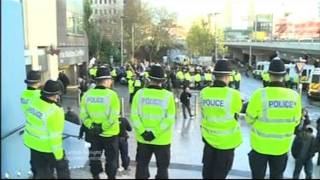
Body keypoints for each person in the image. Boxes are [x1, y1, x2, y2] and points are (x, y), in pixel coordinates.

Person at [245, 57, 302, 179]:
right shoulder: (294, 96)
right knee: (277, 176)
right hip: (281, 148)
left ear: (269, 75)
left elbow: (249, 119)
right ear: (285, 76)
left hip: (259, 147)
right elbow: (296, 121)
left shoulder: (259, 95)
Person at [130, 65, 176, 179]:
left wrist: (144, 132)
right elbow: (169, 119)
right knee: (162, 169)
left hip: (143, 139)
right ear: (163, 81)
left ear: (149, 79)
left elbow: (134, 116)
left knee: (141, 167)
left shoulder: (139, 94)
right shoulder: (168, 96)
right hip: (162, 140)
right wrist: (155, 133)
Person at [200, 59, 243, 179]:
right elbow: (237, 110)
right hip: (226, 144)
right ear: (228, 76)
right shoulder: (233, 94)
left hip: (208, 141)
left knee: (207, 174)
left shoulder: (204, 92)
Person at [23, 80, 70, 179]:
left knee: (42, 173)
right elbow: (55, 138)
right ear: (57, 95)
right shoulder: (55, 111)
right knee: (63, 171)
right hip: (48, 148)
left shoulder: (33, 101)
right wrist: (59, 157)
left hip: (33, 144)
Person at [79, 67, 120, 179]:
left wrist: (92, 126)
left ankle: (95, 176)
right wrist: (102, 127)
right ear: (106, 80)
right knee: (111, 159)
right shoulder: (112, 95)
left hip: (93, 134)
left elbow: (83, 115)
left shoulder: (87, 95)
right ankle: (111, 177)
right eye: (110, 79)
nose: (111, 81)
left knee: (94, 157)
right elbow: (113, 116)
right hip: (110, 135)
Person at [20, 70, 42, 178]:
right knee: (45, 166)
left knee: (34, 162)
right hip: (42, 135)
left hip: (30, 133)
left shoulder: (23, 94)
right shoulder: (40, 95)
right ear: (38, 82)